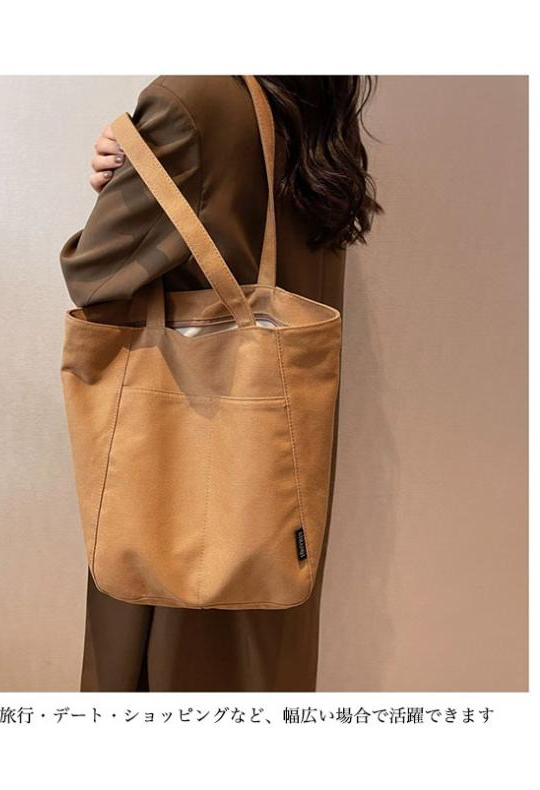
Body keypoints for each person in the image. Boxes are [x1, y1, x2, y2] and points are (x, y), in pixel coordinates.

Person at [59, 75, 382, 691]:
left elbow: (94, 273)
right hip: (276, 497)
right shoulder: (314, 103)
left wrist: (118, 191)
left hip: (187, 495)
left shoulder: (194, 101)